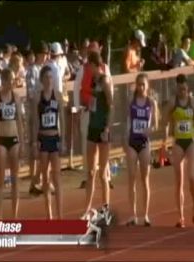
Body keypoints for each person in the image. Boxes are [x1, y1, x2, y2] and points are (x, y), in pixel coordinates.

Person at [162, 74, 194, 228]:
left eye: (185, 89)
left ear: (188, 89)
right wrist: (164, 142)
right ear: (176, 88)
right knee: (178, 182)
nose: (182, 92)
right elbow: (164, 121)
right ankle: (181, 217)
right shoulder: (173, 102)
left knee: (192, 176)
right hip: (178, 142)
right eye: (180, 89)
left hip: (191, 141)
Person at [74, 44, 111, 189]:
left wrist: (108, 119)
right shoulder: (82, 69)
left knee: (103, 149)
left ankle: (106, 175)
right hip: (87, 111)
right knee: (87, 147)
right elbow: (77, 87)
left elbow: (110, 92)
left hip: (101, 115)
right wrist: (77, 109)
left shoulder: (105, 70)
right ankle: (87, 176)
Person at [81, 52, 114, 216]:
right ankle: (87, 208)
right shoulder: (93, 81)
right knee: (91, 171)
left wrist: (107, 127)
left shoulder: (105, 80)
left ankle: (106, 206)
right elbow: (94, 102)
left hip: (102, 128)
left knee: (102, 172)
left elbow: (110, 104)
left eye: (90, 65)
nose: (88, 68)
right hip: (92, 126)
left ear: (95, 65)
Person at [124, 73, 158, 226]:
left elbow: (156, 125)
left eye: (144, 85)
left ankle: (145, 215)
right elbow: (127, 122)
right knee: (131, 178)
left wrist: (149, 130)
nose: (141, 87)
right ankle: (133, 215)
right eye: (139, 85)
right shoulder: (131, 102)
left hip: (144, 143)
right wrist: (125, 140)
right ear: (136, 86)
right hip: (132, 142)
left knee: (145, 179)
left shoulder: (151, 103)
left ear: (147, 86)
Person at [32, 66, 66, 219]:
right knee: (45, 178)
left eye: (51, 78)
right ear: (41, 80)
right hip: (43, 139)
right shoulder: (37, 98)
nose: (49, 80)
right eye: (46, 78)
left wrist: (63, 139)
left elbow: (63, 120)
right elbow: (34, 121)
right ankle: (49, 215)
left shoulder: (57, 95)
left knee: (57, 178)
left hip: (54, 138)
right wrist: (34, 141)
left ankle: (60, 216)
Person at [0, 68, 25, 219]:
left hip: (14, 139)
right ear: (4, 81)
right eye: (10, 80)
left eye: (13, 80)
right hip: (1, 140)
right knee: (0, 179)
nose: (12, 82)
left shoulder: (16, 97)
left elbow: (19, 121)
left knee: (15, 178)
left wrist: (22, 142)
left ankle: (14, 216)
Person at [26, 41, 49, 195]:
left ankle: (41, 180)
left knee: (46, 147)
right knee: (35, 147)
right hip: (35, 112)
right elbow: (31, 93)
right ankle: (34, 181)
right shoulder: (32, 70)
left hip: (46, 113)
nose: (46, 56)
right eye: (44, 53)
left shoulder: (45, 69)